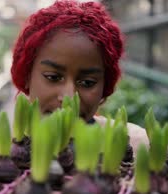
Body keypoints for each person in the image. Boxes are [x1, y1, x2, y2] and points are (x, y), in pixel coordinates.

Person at [10, 0, 149, 154]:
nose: (69, 97)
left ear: (104, 86)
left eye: (87, 82)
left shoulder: (138, 147)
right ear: (28, 76)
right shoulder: (8, 163)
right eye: (53, 77)